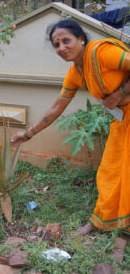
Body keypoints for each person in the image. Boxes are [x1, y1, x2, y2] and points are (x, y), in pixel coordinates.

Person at [11, 19, 130, 235]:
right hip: (123, 120)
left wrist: (121, 93)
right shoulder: (75, 73)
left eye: (66, 41)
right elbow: (57, 107)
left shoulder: (102, 54)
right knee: (110, 171)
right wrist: (28, 134)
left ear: (81, 40)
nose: (62, 48)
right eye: (57, 45)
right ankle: (101, 220)